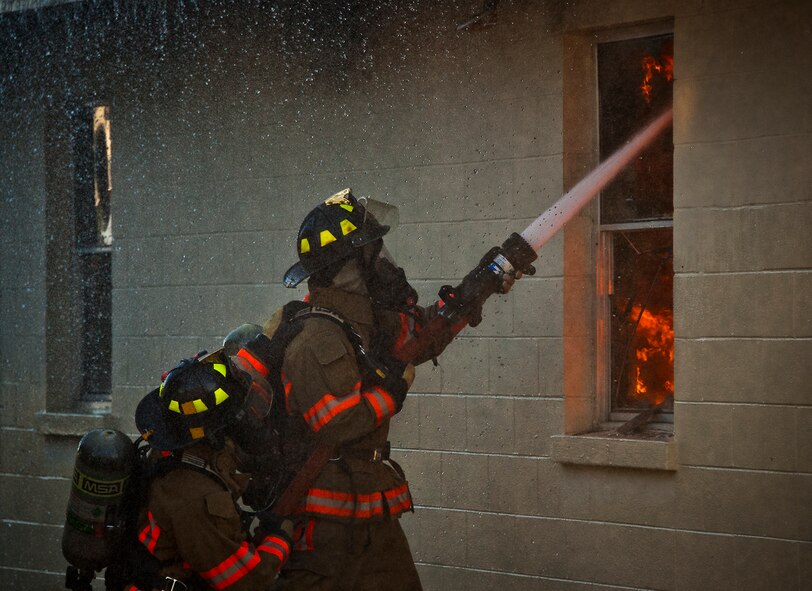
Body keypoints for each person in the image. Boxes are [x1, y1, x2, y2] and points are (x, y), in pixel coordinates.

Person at [253, 188, 524, 591]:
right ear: (348, 266)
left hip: (372, 517)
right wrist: (393, 391)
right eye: (373, 255)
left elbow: (424, 335)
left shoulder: (366, 323)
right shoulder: (317, 337)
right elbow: (338, 424)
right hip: (325, 530)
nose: (385, 265)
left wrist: (477, 288)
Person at [119, 350, 294, 591]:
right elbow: (248, 582)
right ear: (216, 431)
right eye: (239, 417)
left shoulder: (177, 458)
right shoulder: (195, 498)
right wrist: (280, 537)